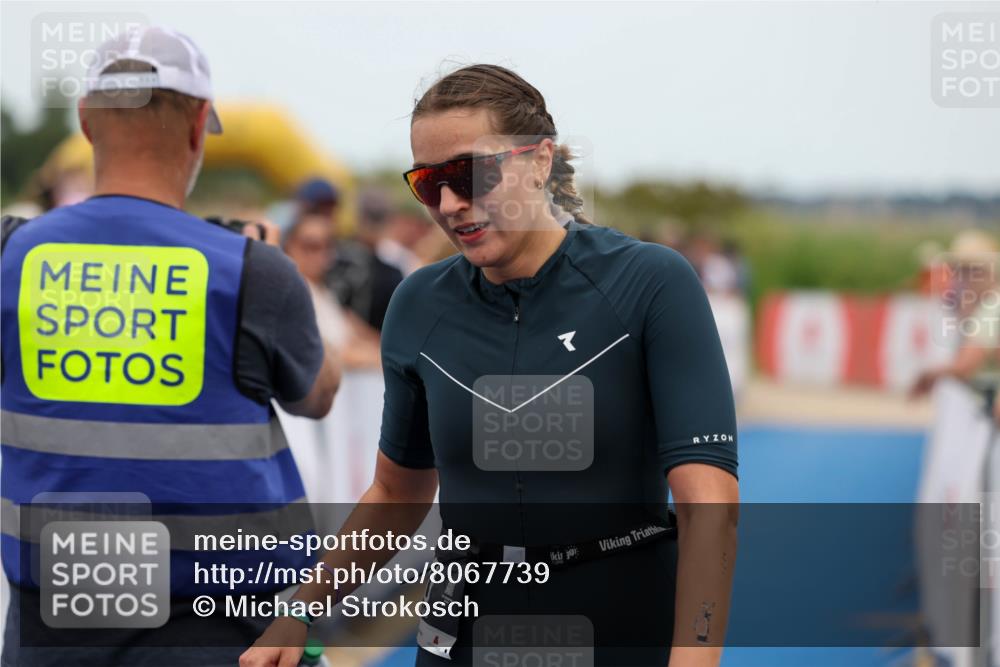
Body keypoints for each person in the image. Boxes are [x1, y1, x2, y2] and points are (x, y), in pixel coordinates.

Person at [242, 64, 739, 667]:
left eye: (471, 174)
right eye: (428, 184)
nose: (450, 204)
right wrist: (301, 608)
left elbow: (709, 505)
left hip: (616, 624)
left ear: (540, 161)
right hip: (463, 629)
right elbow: (397, 492)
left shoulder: (650, 283)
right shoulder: (419, 303)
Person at [0, 26, 338, 666]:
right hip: (219, 630)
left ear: (86, 121)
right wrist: (282, 278)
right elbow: (318, 396)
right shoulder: (250, 270)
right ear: (199, 125)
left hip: (49, 626)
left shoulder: (11, 254)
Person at [283, 213, 381, 369]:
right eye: (310, 246)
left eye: (327, 245)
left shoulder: (323, 290)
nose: (320, 254)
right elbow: (326, 354)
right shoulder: (291, 294)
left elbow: (356, 334)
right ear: (289, 247)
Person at [325, 189, 405, 332]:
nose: (373, 226)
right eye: (371, 217)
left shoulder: (392, 273)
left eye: (377, 218)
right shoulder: (332, 259)